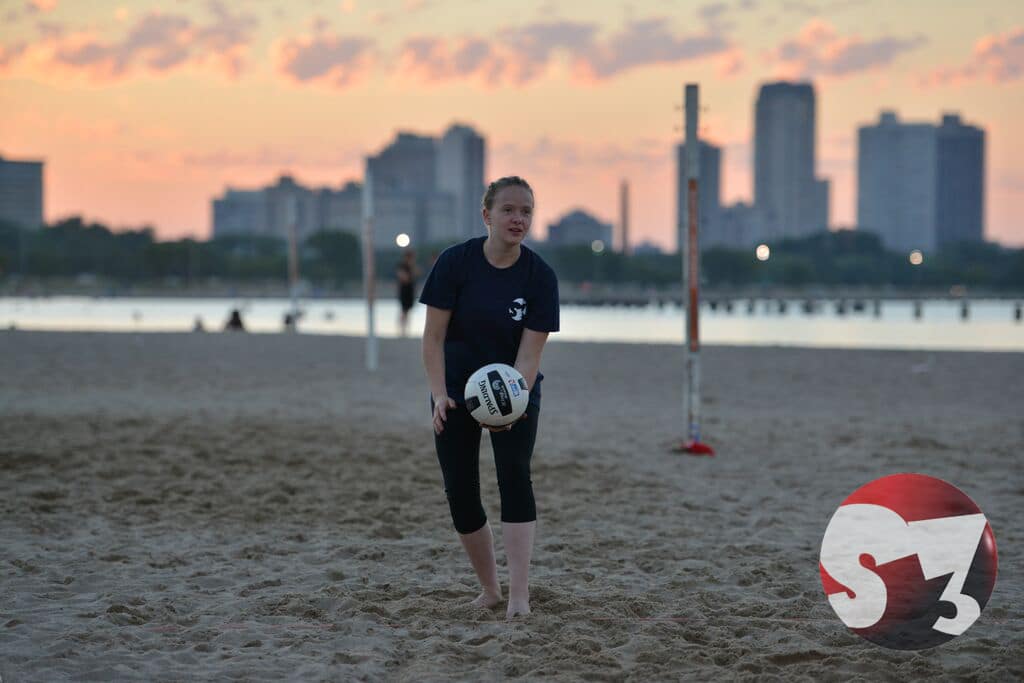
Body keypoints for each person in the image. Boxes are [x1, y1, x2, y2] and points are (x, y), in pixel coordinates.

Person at [420, 176, 559, 620]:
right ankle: (490, 588)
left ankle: (519, 594)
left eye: (526, 211)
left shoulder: (539, 276)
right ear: (487, 216)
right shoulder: (455, 263)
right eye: (509, 210)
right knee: (460, 491)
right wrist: (440, 395)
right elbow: (432, 338)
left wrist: (511, 405)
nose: (518, 219)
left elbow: (530, 354)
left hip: (514, 392)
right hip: (456, 393)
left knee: (514, 478)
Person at [395, 249, 420, 337]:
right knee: (403, 310)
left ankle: (405, 330)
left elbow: (417, 273)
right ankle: (402, 331)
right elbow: (403, 278)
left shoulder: (411, 266)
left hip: (410, 291)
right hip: (404, 291)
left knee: (407, 311)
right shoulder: (402, 266)